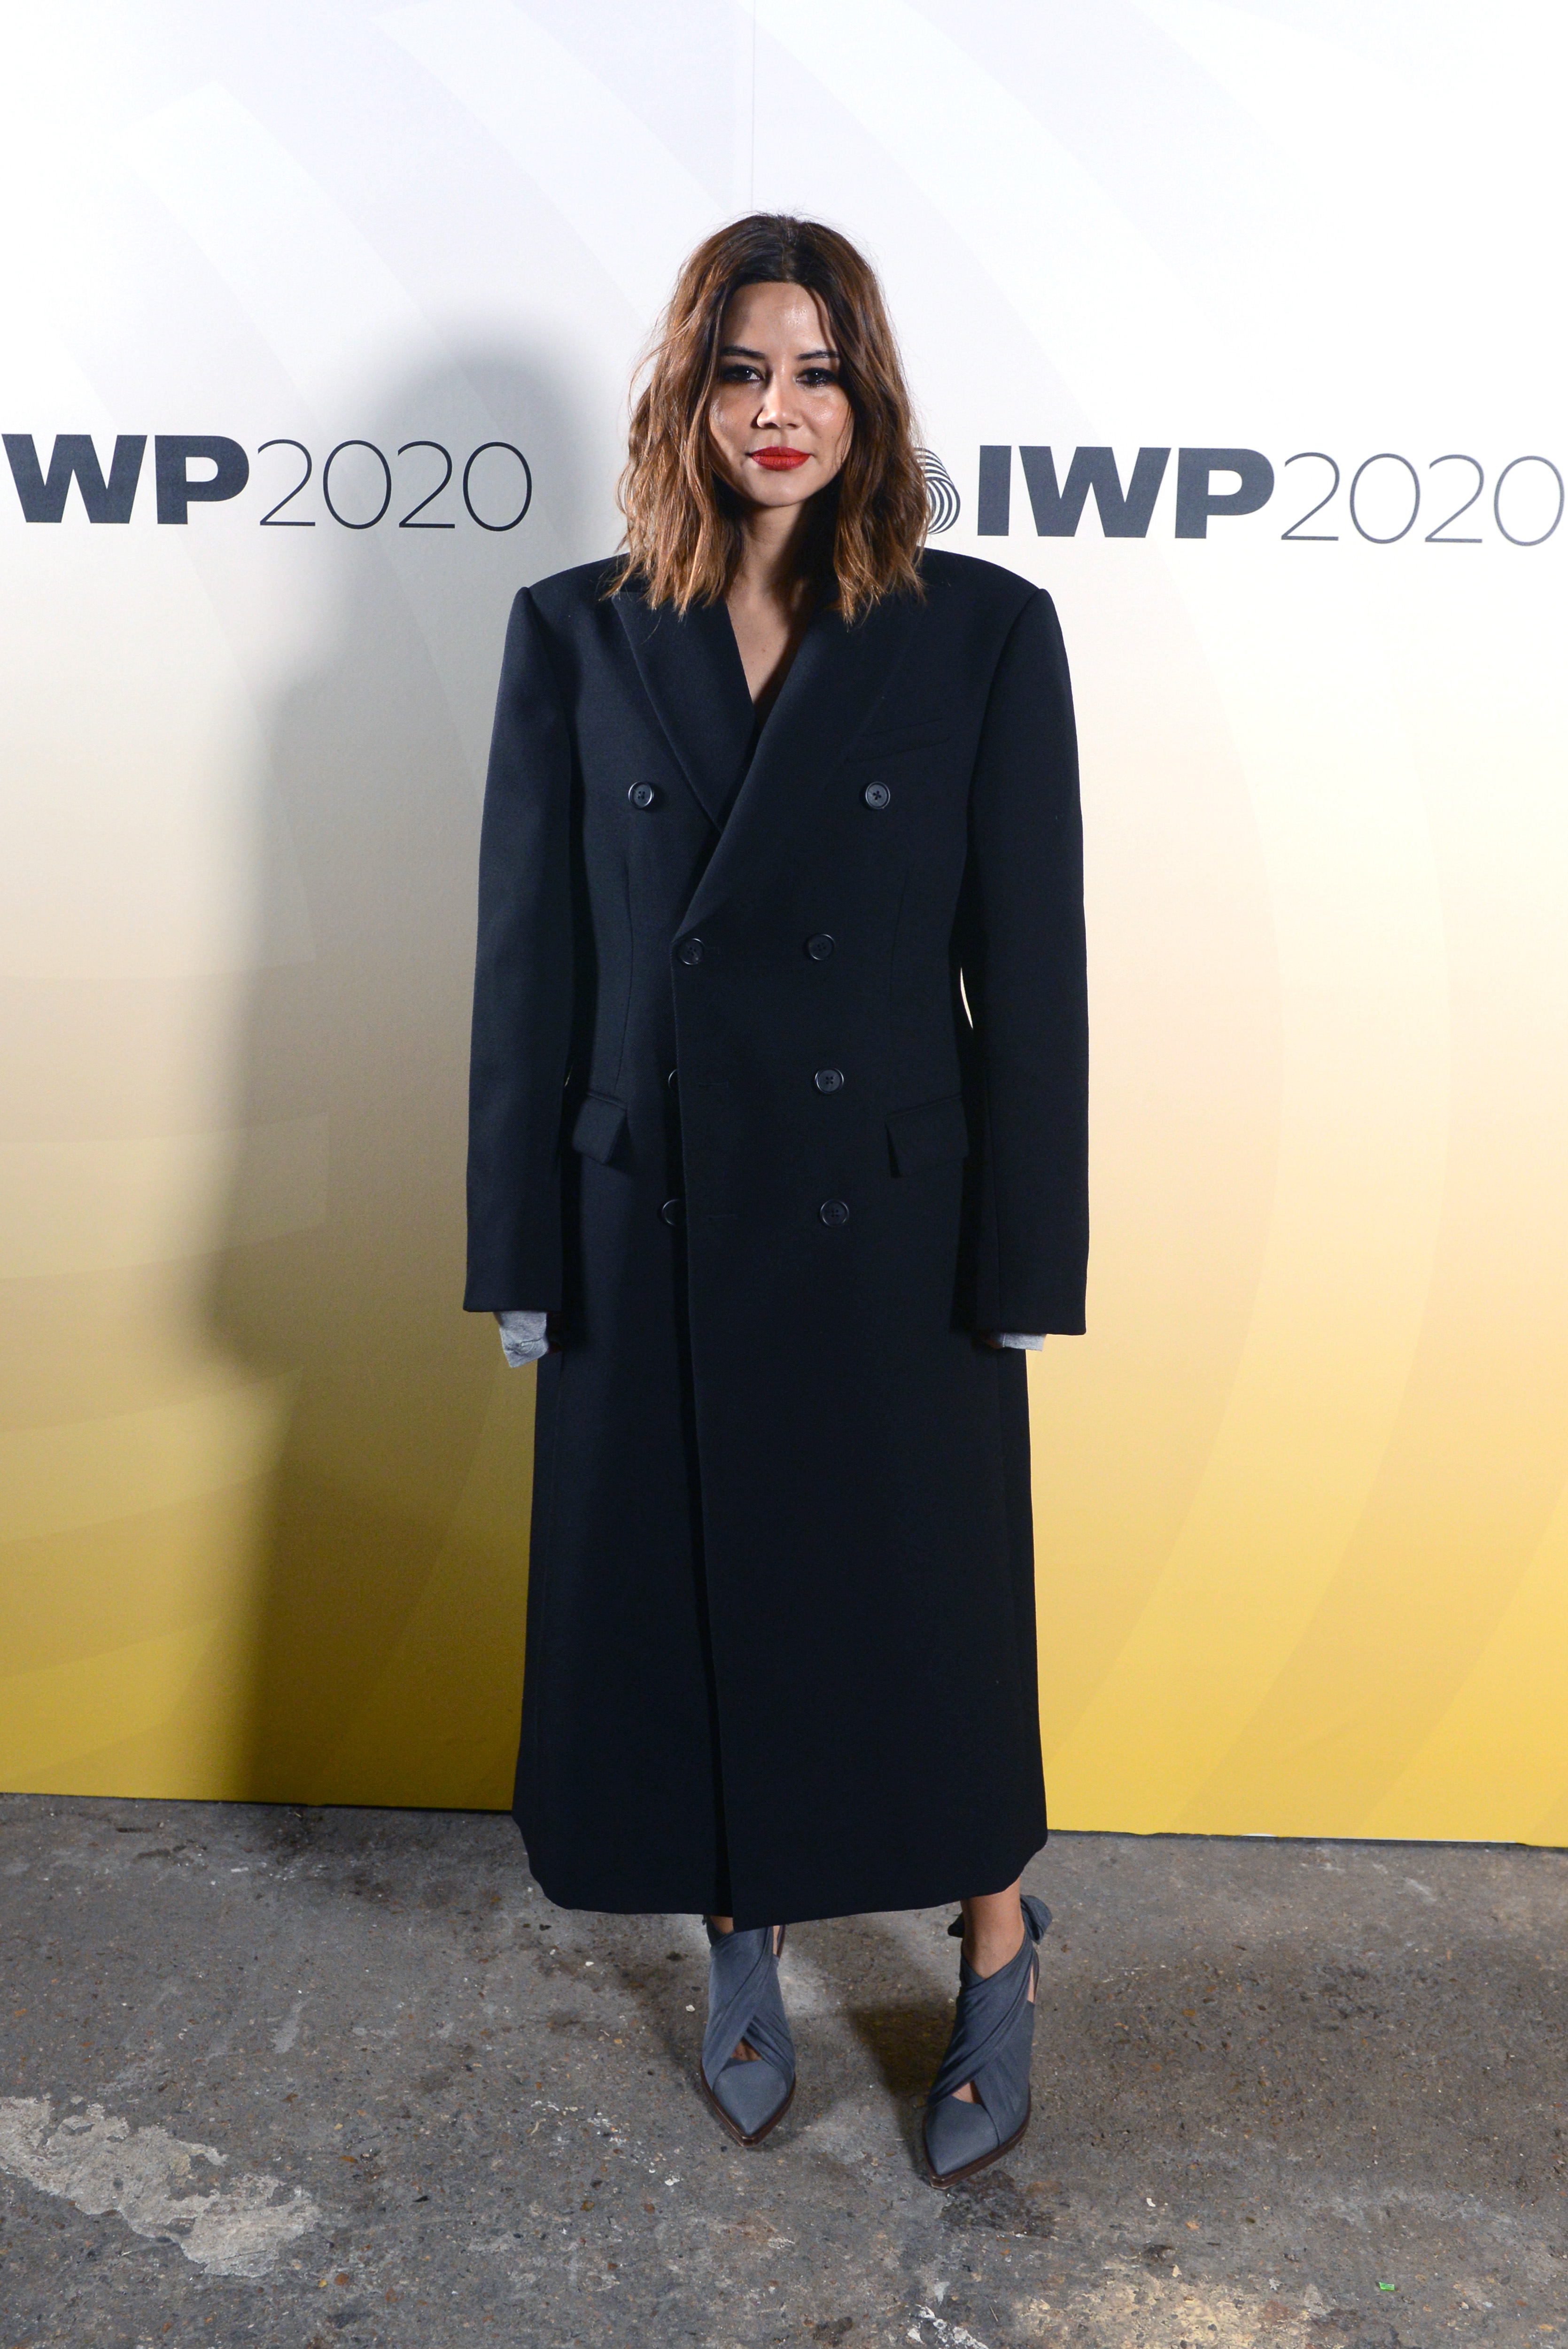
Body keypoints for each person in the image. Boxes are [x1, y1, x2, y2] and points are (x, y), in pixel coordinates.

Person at [464, 214, 1087, 2186]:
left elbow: (1030, 974)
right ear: (689, 394)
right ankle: (740, 1924)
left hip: (890, 1221)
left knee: (928, 1608)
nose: (778, 410)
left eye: (816, 371)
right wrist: (517, 1244)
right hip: (648, 1207)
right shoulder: (574, 630)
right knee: (686, 1594)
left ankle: (997, 1939)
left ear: (867, 397)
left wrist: (1027, 1250)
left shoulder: (981, 630)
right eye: (741, 370)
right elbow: (529, 965)